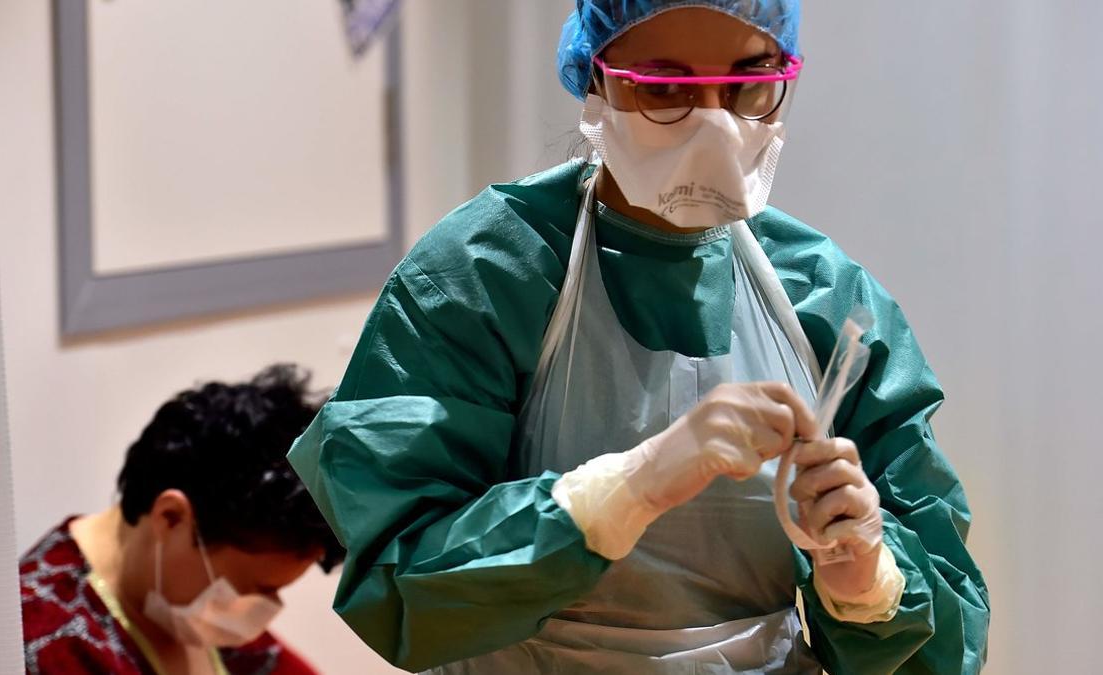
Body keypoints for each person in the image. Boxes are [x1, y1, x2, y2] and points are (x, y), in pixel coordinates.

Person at [290, 2, 989, 673]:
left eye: (751, 85)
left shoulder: (824, 299)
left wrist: (868, 582)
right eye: (664, 87)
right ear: (595, 76)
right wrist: (625, 490)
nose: (715, 125)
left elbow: (943, 642)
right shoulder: (487, 275)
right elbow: (399, 579)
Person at [20, 364, 344, 675]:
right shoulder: (40, 640)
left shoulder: (186, 602)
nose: (261, 613)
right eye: (254, 589)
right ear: (170, 518)